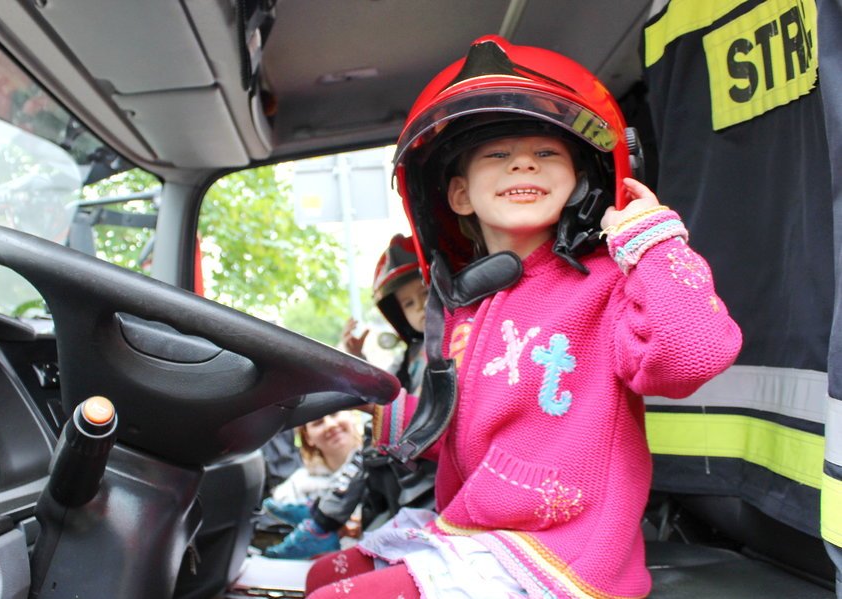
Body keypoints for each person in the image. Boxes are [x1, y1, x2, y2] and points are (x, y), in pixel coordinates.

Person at [304, 35, 742, 599]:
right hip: (481, 529)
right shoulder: (472, 306)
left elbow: (693, 356)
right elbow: (467, 430)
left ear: (581, 181)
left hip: (563, 550)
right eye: (496, 153)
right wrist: (375, 405)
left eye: (547, 152)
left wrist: (650, 241)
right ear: (459, 194)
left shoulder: (608, 282)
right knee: (325, 574)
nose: (522, 161)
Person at [263, 236, 428, 559]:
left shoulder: (447, 346)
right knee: (371, 438)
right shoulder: (413, 352)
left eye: (424, 295)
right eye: (408, 304)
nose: (420, 308)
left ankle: (321, 522)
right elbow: (388, 388)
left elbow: (399, 404)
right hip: (407, 452)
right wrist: (357, 357)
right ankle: (321, 517)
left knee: (374, 442)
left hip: (422, 461)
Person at [260, 411, 364, 558]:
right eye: (318, 422)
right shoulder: (297, 485)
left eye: (334, 414)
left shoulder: (380, 462)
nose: (330, 425)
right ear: (308, 437)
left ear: (352, 416)